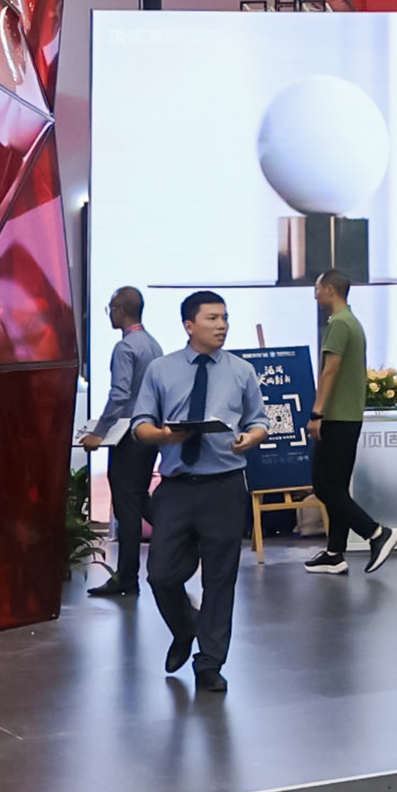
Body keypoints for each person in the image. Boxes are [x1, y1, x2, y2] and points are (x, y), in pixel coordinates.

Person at [124, 291, 272, 694]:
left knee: (220, 579)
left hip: (225, 485)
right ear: (189, 325)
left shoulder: (241, 371)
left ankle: (210, 663)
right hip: (176, 487)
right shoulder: (161, 369)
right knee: (160, 575)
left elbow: (260, 422)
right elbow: (140, 425)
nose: (222, 326)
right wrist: (164, 435)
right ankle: (185, 627)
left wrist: (250, 438)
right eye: (212, 318)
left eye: (225, 318)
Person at [301, 271, 393, 575]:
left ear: (329, 289)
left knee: (324, 485)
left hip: (336, 417)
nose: (315, 295)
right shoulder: (351, 322)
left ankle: (376, 533)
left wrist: (317, 413)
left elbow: (330, 370)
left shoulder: (339, 324)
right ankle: (334, 552)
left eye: (317, 288)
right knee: (337, 486)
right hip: (349, 416)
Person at [80, 287, 161, 599]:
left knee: (126, 507)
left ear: (118, 310)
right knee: (138, 497)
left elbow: (119, 395)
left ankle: (126, 577)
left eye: (110, 309)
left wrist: (99, 432)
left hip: (128, 436)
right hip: (149, 432)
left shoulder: (125, 347)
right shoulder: (152, 344)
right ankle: (181, 536)